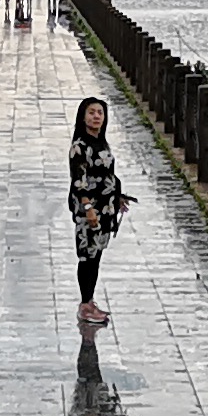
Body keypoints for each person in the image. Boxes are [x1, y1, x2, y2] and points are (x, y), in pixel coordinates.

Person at [68, 93, 123, 327]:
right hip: (89, 210)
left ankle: (90, 301)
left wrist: (118, 197)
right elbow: (79, 181)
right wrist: (88, 208)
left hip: (106, 207)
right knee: (87, 256)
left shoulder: (102, 142)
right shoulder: (79, 147)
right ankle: (84, 304)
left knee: (96, 256)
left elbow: (107, 175)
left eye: (100, 112)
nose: (96, 116)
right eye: (91, 112)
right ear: (83, 116)